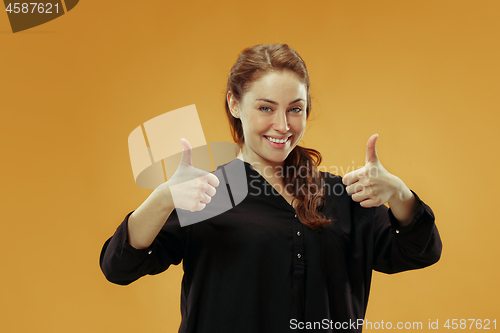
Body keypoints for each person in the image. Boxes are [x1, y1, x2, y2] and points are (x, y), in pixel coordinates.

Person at [100, 43, 442, 332]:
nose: (283, 125)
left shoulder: (343, 196)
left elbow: (419, 251)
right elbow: (120, 266)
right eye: (266, 108)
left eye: (295, 109)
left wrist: (400, 195)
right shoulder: (207, 193)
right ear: (235, 105)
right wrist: (163, 198)